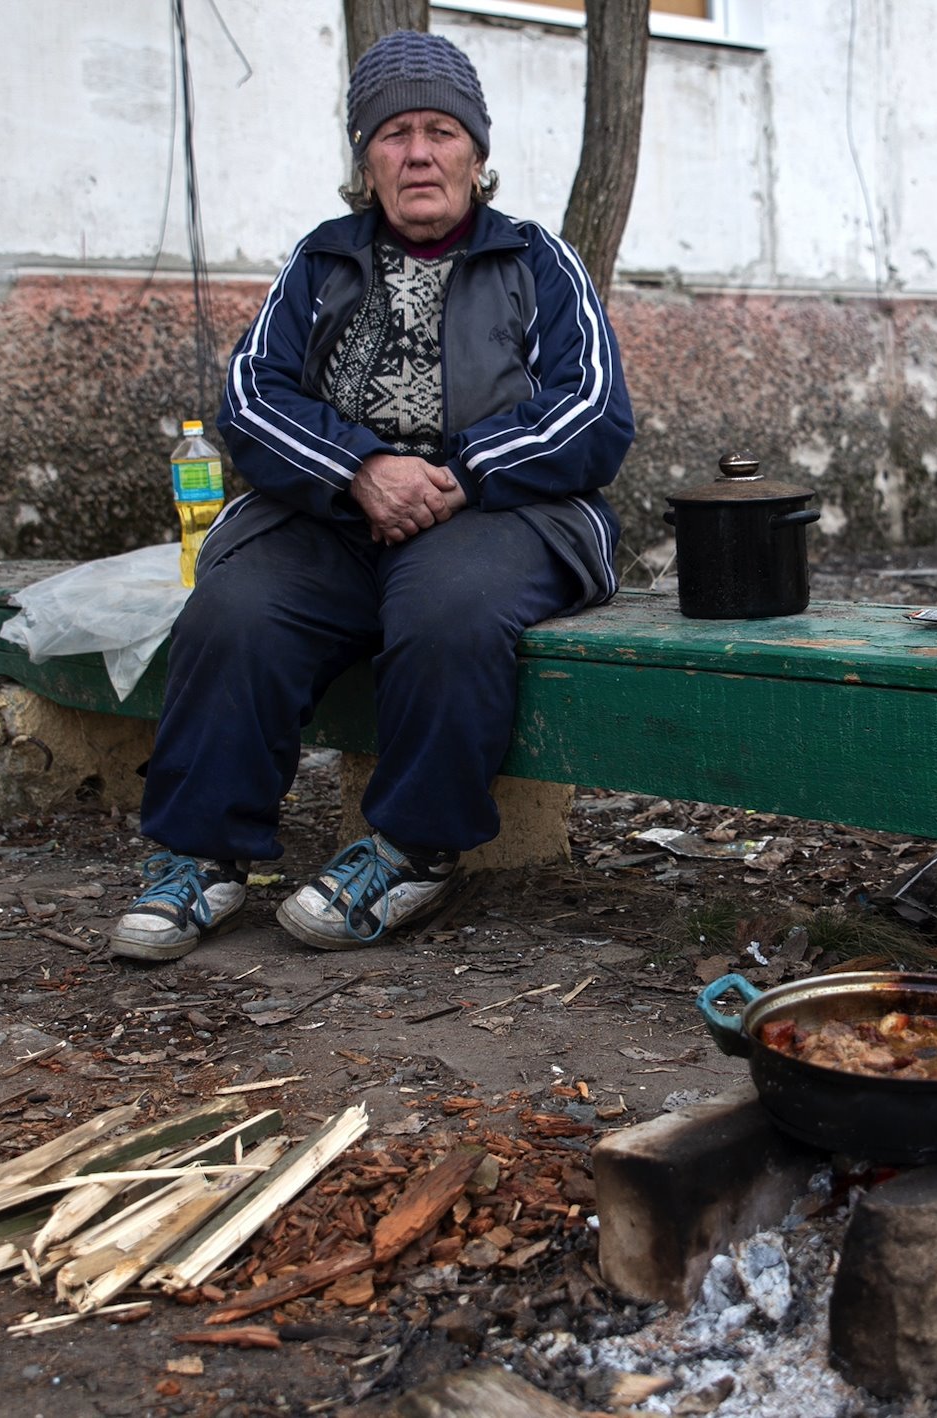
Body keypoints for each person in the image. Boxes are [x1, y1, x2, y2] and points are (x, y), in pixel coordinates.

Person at [111, 29, 633, 962]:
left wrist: (462, 471)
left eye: (441, 131)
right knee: (235, 609)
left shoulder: (538, 262)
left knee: (448, 606)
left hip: (502, 510)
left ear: (477, 152)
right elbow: (251, 399)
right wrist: (358, 468)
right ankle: (202, 853)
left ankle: (412, 849)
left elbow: (594, 413)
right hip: (340, 509)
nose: (420, 152)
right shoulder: (323, 261)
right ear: (368, 160)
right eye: (395, 134)